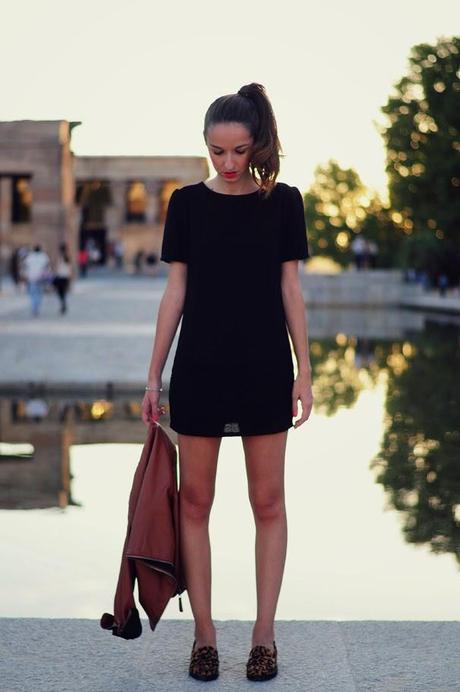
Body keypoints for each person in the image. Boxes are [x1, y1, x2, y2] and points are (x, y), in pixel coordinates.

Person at [141, 82, 313, 683]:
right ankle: (205, 637)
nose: (229, 163)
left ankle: (264, 636)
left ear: (257, 144)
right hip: (201, 371)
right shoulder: (186, 204)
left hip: (266, 369)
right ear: (206, 147)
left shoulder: (284, 202)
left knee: (268, 503)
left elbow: (291, 288)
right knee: (196, 502)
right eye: (217, 151)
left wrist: (305, 371)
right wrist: (153, 376)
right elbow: (176, 291)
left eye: (239, 151)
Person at [22, 244, 51, 317]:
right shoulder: (44, 256)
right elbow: (47, 267)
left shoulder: (30, 256)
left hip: (32, 277)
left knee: (33, 293)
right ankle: (37, 307)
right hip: (40, 278)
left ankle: (34, 308)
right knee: (39, 293)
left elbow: (25, 266)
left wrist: (25, 275)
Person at [52, 244, 72, 314]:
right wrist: (70, 277)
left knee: (60, 293)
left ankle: (63, 304)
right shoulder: (68, 257)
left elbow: (57, 268)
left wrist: (55, 274)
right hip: (66, 277)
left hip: (60, 277)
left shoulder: (60, 257)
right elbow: (70, 268)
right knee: (63, 292)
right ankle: (63, 304)